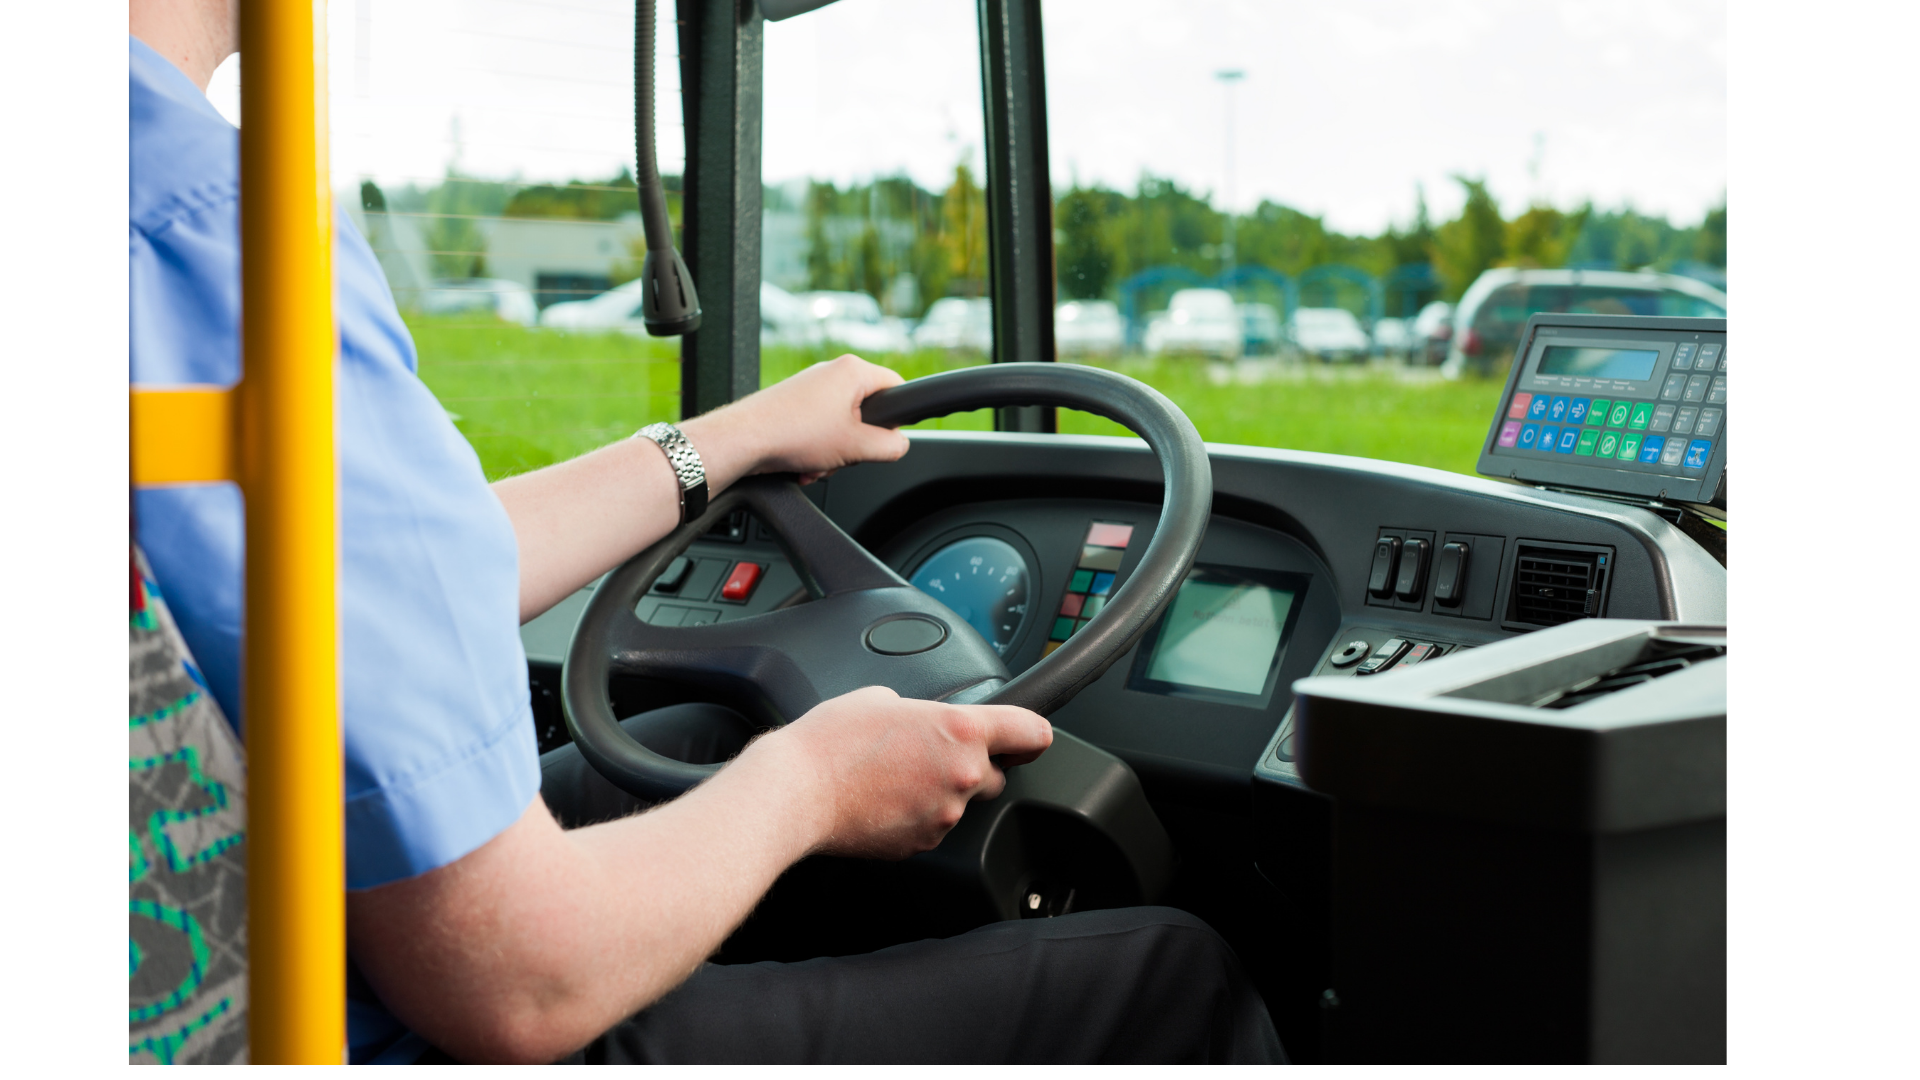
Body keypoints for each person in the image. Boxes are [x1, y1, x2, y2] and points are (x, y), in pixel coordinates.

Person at [127, 1, 1285, 1065]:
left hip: (241, 922)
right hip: (355, 1025)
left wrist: (730, 440)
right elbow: (518, 985)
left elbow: (379, 574)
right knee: (1169, 978)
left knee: (703, 735)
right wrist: (813, 784)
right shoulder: (217, 238)